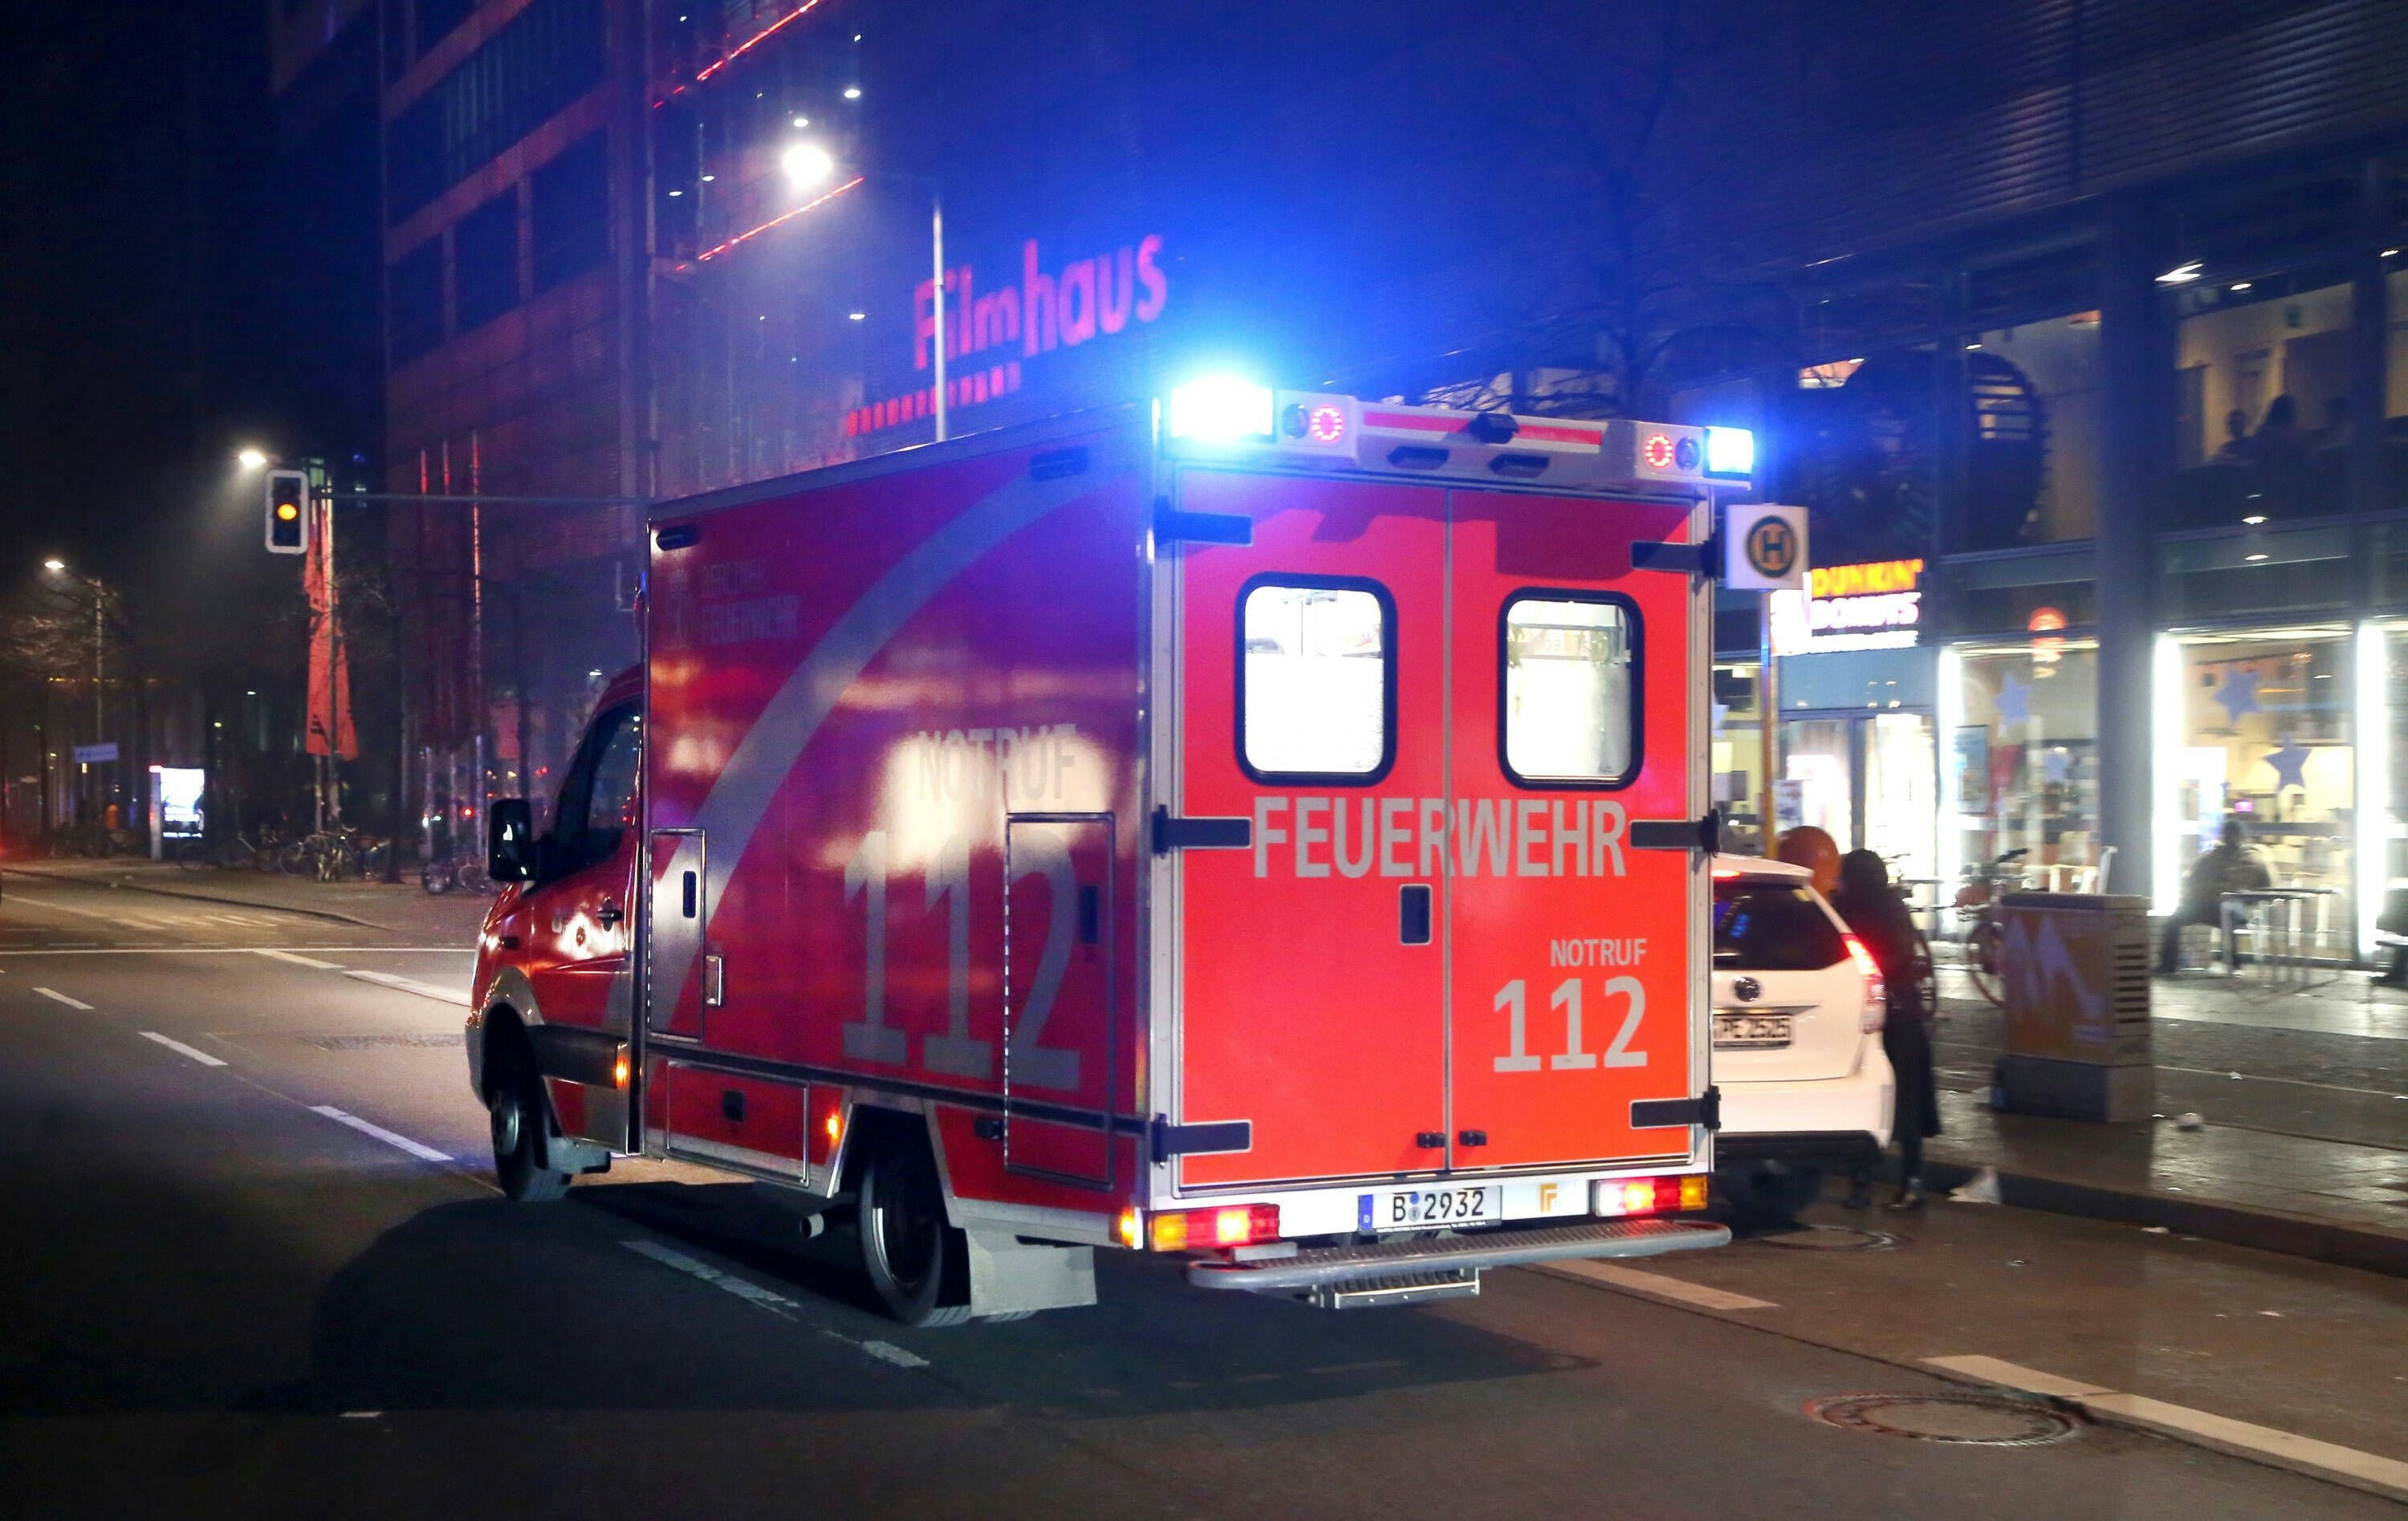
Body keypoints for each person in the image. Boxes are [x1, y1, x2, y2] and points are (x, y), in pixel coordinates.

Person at [1832, 849, 1938, 1211]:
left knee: (1870, 1099)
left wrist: (1864, 976)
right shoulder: (1888, 906)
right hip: (1899, 1014)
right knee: (1903, 1099)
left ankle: (1867, 1184)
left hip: (1874, 1015)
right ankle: (1909, 1181)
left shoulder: (1848, 907)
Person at [2155, 819, 2271, 974]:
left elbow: (2244, 887)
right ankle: (2169, 965)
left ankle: (2232, 963)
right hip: (2214, 906)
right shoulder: (2215, 857)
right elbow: (2195, 880)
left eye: (2231, 835)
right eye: (2227, 835)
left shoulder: (2249, 859)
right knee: (2175, 920)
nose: (2229, 838)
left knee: (2225, 914)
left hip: (2229, 908)